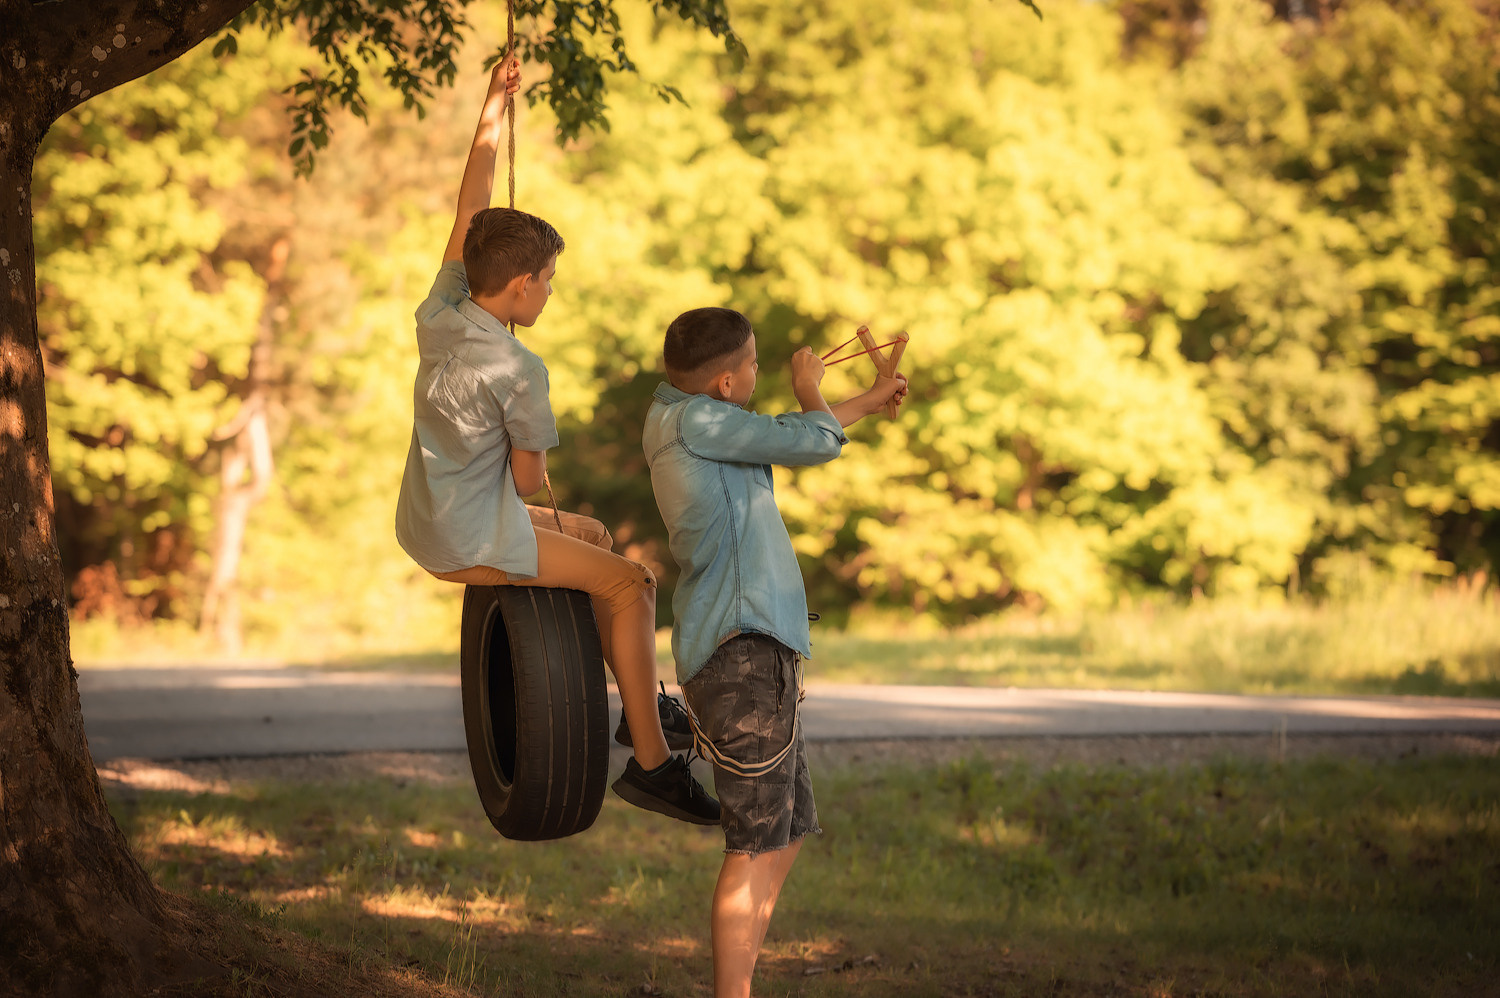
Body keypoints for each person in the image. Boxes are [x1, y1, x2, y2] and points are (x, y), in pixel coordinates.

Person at [394, 58, 717, 825]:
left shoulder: (441, 309)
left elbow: (471, 206)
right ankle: (651, 765)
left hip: (431, 519)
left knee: (598, 540)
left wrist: (492, 110)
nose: (548, 289)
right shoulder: (517, 366)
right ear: (518, 289)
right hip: (476, 535)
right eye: (546, 279)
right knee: (631, 582)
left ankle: (645, 707)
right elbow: (532, 480)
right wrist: (516, 439)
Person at [643, 307, 907, 997]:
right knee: (754, 842)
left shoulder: (689, 415)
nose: (766, 373)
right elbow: (809, 438)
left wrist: (868, 401)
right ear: (727, 382)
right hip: (740, 652)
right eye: (757, 365)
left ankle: (743, 984)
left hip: (758, 648)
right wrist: (810, 384)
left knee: (786, 831)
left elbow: (792, 436)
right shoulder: (698, 422)